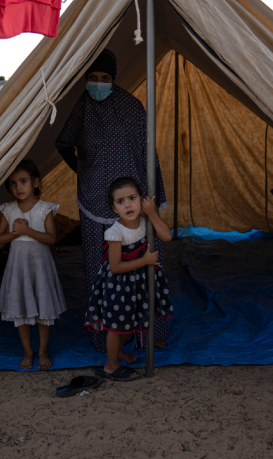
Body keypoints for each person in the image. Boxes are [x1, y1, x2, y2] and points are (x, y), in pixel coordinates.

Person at [55, 49, 170, 353]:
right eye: (93, 78)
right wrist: (82, 169)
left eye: (104, 78)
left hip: (132, 203)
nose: (98, 83)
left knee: (146, 267)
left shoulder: (131, 107)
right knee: (100, 270)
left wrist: (153, 198)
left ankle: (151, 331)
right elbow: (63, 142)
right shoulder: (81, 108)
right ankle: (107, 337)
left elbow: (149, 153)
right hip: (94, 203)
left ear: (113, 79)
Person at [84, 177, 173, 381]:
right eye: (120, 201)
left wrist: (152, 213)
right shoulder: (115, 232)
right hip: (119, 285)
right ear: (114, 208)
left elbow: (167, 236)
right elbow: (115, 267)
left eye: (132, 198)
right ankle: (110, 365)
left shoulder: (144, 219)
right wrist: (144, 261)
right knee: (117, 326)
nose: (128, 205)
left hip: (137, 282)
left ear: (141, 200)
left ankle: (119, 353)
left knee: (128, 322)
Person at [0, 159, 67, 370]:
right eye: (13, 183)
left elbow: (51, 239)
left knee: (44, 308)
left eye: (23, 181)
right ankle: (27, 351)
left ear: (35, 182)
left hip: (40, 267)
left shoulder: (45, 208)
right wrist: (14, 233)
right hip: (18, 267)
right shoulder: (7, 209)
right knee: (21, 309)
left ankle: (43, 350)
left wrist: (27, 232)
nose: (18, 187)